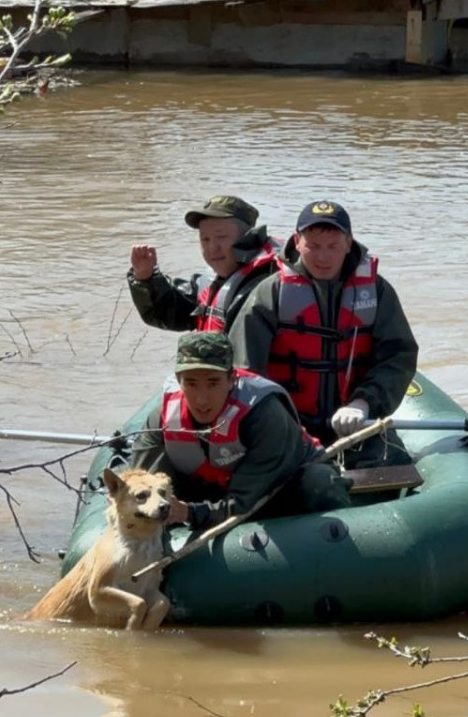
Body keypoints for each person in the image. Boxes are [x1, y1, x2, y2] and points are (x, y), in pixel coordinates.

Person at [230, 200, 418, 468]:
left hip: (357, 422)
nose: (323, 257)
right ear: (297, 241)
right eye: (313, 246)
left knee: (396, 466)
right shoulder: (270, 293)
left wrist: (364, 403)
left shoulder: (377, 291)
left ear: (349, 243)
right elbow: (244, 371)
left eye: (333, 246)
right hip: (286, 425)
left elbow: (398, 357)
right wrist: (274, 422)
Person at [130, 332, 351, 530]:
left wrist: (190, 513)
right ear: (179, 382)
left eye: (213, 383)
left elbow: (245, 501)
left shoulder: (263, 415)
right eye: (191, 383)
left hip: (274, 489)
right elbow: (140, 486)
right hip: (212, 489)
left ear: (231, 380)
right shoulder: (161, 418)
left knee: (320, 481)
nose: (202, 399)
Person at [128, 195, 280, 333]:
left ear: (249, 239)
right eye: (205, 239)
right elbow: (168, 312)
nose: (212, 248)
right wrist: (145, 279)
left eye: (221, 237)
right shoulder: (208, 282)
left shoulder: (272, 284)